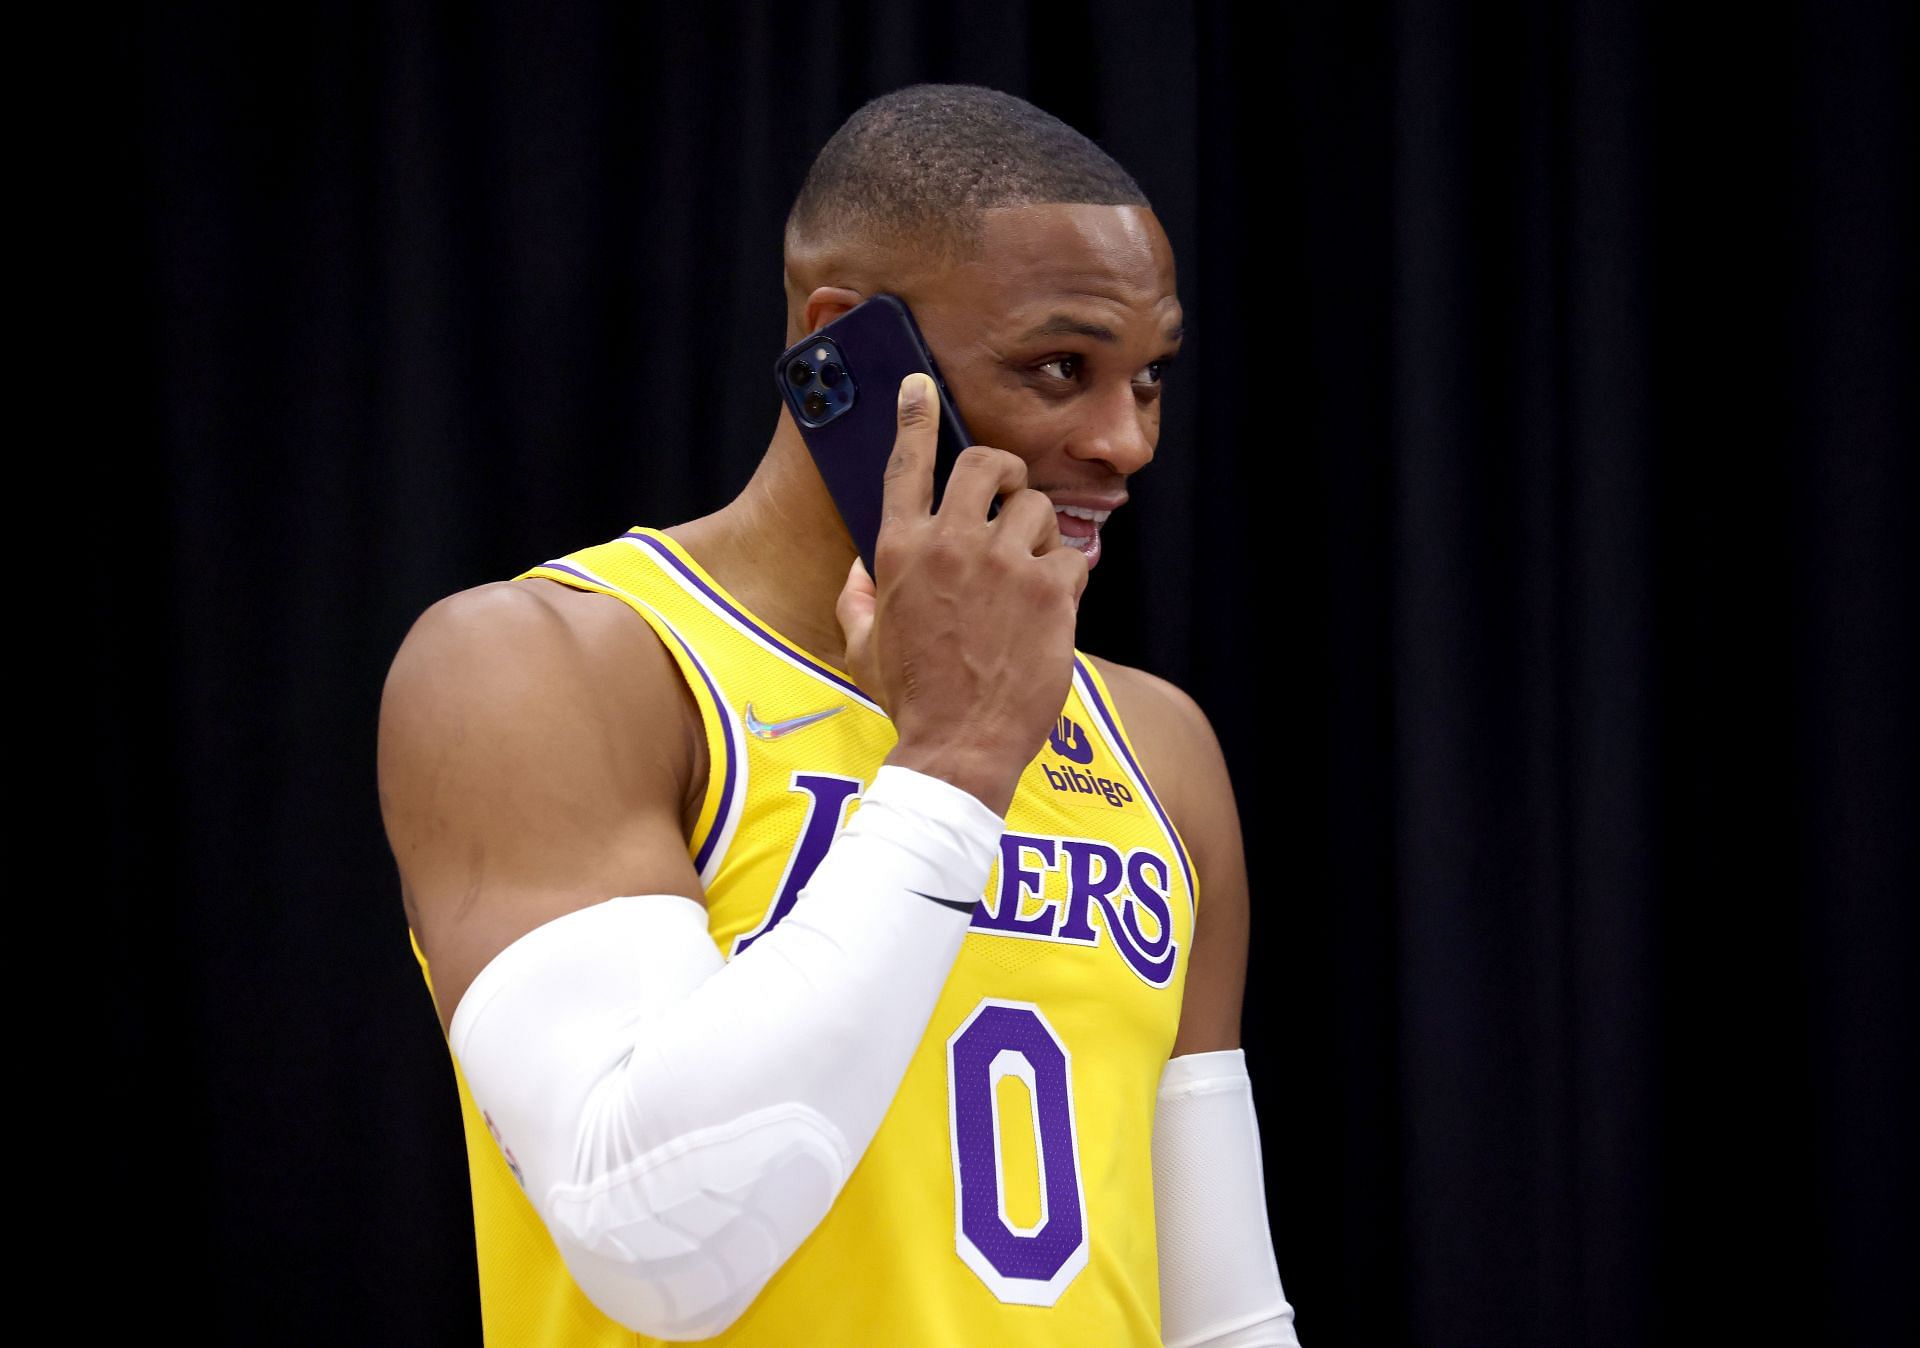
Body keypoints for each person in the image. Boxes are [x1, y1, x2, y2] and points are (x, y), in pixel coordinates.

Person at [379, 84, 1300, 1347]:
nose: (1124, 439)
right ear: (850, 349)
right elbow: (651, 1248)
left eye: (1148, 379)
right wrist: (953, 763)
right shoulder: (549, 664)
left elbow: (1226, 1316)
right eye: (1059, 368)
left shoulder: (1159, 743)